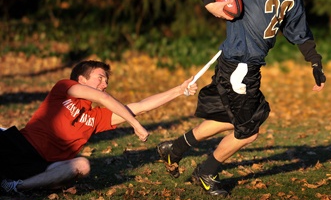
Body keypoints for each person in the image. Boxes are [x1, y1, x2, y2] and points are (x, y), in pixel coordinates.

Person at [157, 0, 326, 197]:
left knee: (229, 118)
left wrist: (315, 62)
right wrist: (209, 3)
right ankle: (207, 171)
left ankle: (173, 149)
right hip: (238, 66)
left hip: (248, 66)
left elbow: (300, 32)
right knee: (248, 131)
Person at [0, 60, 198, 193]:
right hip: (20, 145)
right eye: (100, 78)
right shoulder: (64, 88)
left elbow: (140, 107)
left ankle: (16, 186)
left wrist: (179, 91)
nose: (105, 84)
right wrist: (135, 125)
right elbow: (102, 97)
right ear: (81, 80)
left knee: (82, 165)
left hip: (45, 166)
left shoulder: (96, 118)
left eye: (107, 80)